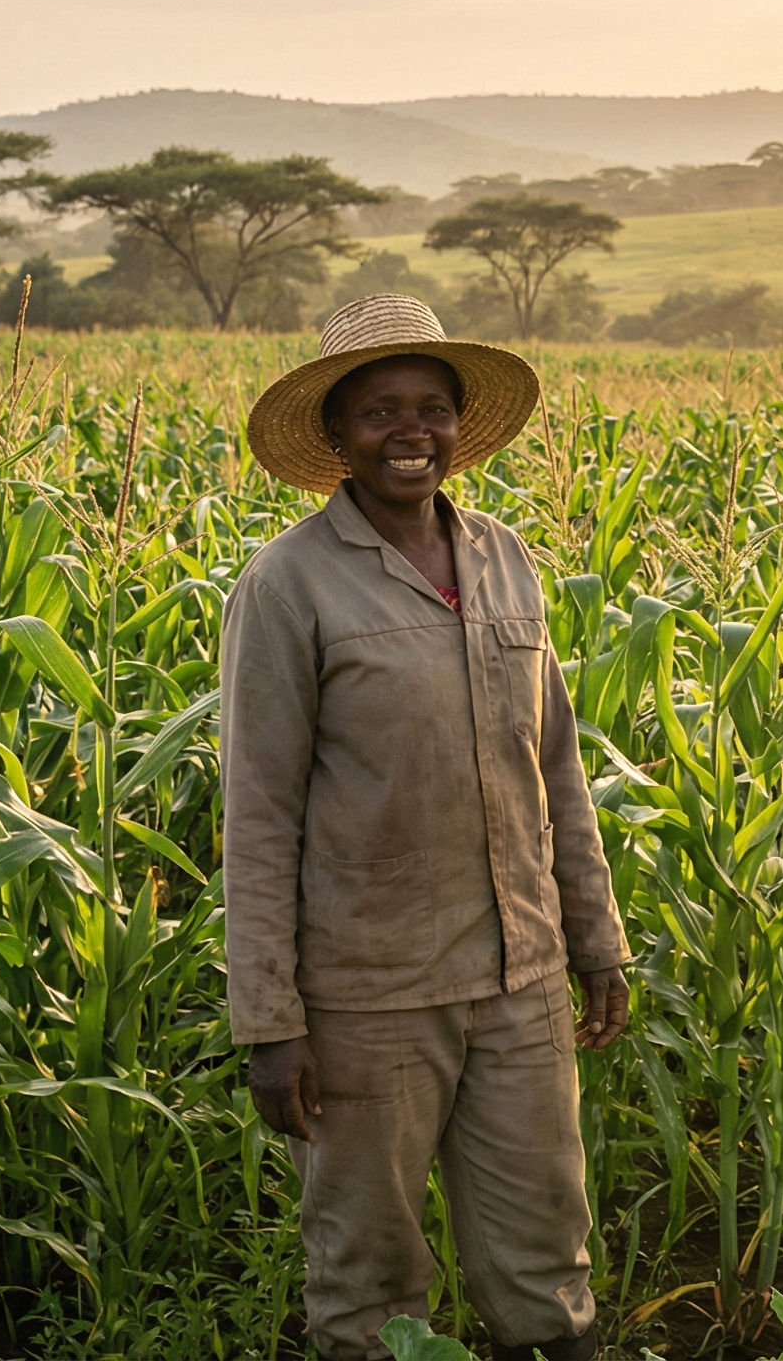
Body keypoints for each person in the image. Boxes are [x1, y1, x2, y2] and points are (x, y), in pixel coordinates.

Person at [222, 294, 630, 1361]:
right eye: (380, 412)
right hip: (368, 996)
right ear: (338, 436)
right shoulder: (288, 583)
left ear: (460, 425)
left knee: (547, 1270)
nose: (412, 432)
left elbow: (557, 766)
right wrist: (270, 1021)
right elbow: (258, 812)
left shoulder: (506, 559)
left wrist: (596, 940)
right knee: (369, 1285)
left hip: (520, 979)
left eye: (433, 409)